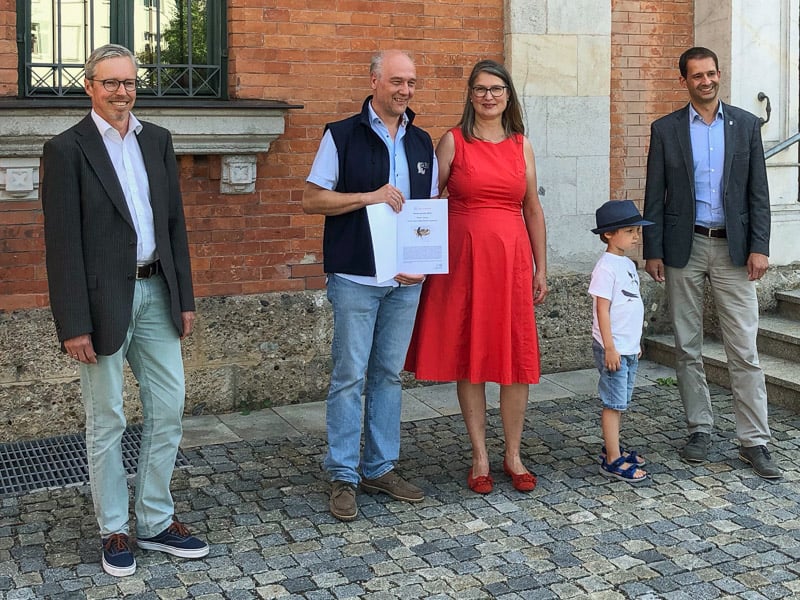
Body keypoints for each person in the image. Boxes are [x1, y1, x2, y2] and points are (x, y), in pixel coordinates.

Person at [41, 44, 208, 577]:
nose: (122, 92)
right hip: (100, 302)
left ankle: (156, 520)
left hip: (158, 291)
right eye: (111, 82)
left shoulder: (156, 140)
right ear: (89, 85)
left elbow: (174, 226)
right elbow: (62, 244)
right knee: (107, 414)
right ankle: (114, 526)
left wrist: (184, 298)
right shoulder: (67, 149)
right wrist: (73, 323)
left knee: (170, 406)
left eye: (130, 82)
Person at [302, 50, 439, 521]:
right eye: (398, 80)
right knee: (349, 377)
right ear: (376, 81)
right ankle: (343, 473)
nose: (405, 90)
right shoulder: (341, 134)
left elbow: (428, 213)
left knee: (387, 375)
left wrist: (420, 262)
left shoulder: (422, 143)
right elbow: (312, 199)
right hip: (357, 277)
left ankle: (380, 467)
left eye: (412, 82)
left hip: (406, 282)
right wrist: (368, 196)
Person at [404, 59, 547, 494]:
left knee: (515, 359)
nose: (489, 96)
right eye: (481, 89)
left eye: (497, 89)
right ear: (470, 94)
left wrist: (543, 267)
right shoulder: (452, 141)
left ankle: (514, 453)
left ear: (508, 96)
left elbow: (532, 209)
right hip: (464, 263)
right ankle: (480, 455)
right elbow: (426, 201)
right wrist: (418, 255)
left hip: (512, 261)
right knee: (472, 354)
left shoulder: (521, 144)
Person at [643, 46, 780, 479]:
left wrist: (760, 245)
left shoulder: (745, 125)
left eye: (711, 74)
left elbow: (758, 190)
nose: (706, 81)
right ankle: (699, 429)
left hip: (734, 250)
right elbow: (654, 194)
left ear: (720, 75)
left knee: (744, 347)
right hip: (685, 247)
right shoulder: (665, 130)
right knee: (687, 346)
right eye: (697, 76)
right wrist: (653, 249)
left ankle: (754, 440)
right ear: (683, 80)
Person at [589, 200, 653, 484]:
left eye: (637, 231)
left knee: (622, 400)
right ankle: (612, 459)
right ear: (609, 234)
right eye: (629, 231)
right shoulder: (606, 268)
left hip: (627, 347)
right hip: (612, 348)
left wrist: (635, 342)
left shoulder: (627, 264)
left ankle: (613, 447)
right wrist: (610, 347)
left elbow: (632, 305)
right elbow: (602, 309)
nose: (636, 236)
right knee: (613, 403)